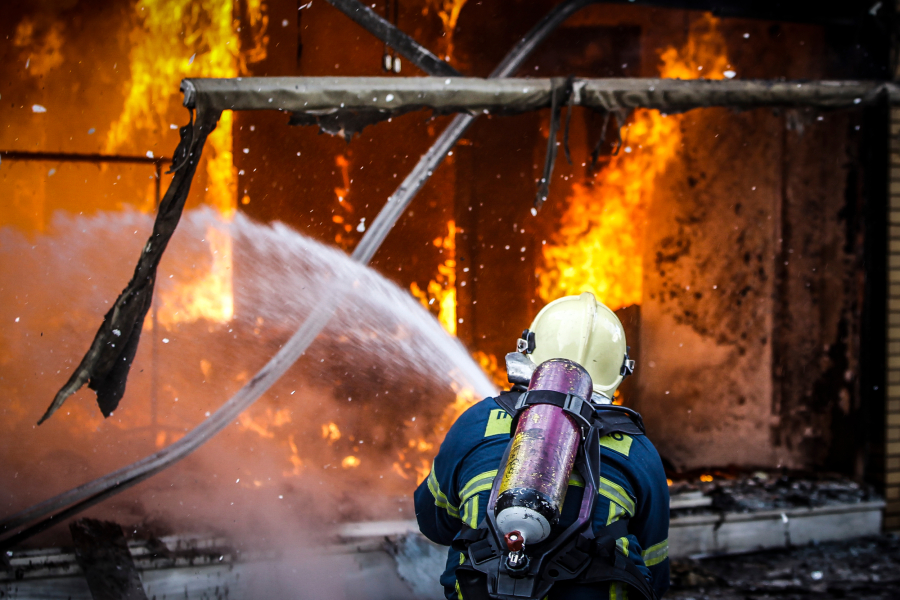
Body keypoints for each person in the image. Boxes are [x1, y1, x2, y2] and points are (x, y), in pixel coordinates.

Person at [414, 292, 670, 600]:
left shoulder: (476, 423)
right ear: (621, 370)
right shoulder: (637, 451)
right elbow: (655, 570)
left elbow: (434, 524)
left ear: (527, 351)